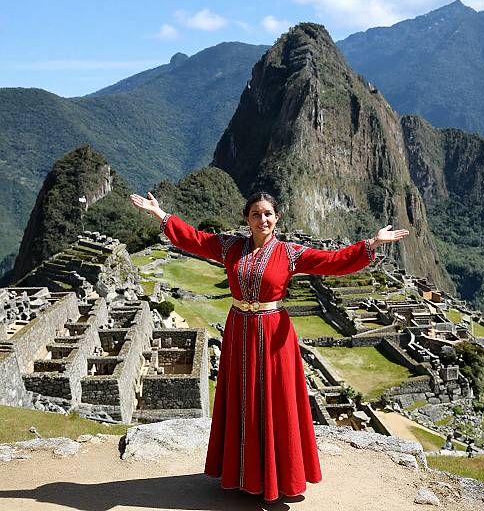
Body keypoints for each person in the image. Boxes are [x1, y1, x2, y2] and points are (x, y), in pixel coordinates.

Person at [129, 190, 409, 503]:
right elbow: (193, 238)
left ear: (276, 218)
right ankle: (242, 473)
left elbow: (332, 262)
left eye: (268, 214)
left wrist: (372, 244)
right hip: (239, 329)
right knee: (242, 396)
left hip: (274, 331)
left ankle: (277, 477)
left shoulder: (290, 253)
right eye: (256, 214)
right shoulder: (230, 247)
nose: (263, 219)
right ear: (247, 219)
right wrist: (160, 214)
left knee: (276, 400)